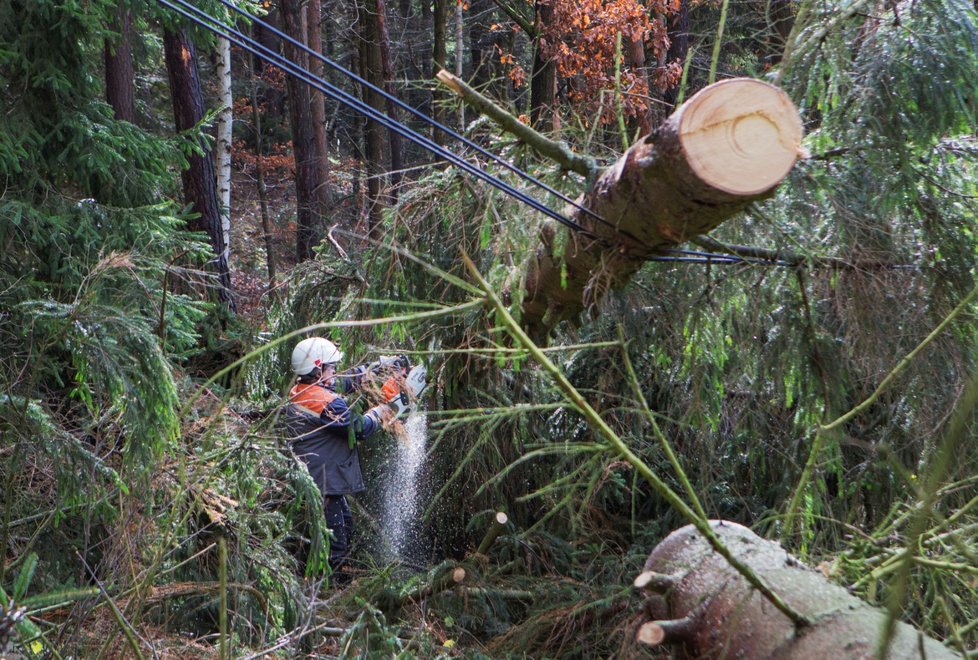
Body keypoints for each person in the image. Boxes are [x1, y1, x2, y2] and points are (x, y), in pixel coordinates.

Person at [284, 337, 406, 575]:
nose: (335, 372)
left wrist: (378, 367)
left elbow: (342, 383)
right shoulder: (324, 403)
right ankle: (328, 594)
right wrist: (381, 411)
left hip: (321, 481)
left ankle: (329, 581)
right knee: (335, 543)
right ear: (318, 369)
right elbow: (359, 428)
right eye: (331, 368)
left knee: (345, 524)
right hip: (322, 484)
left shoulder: (305, 390)